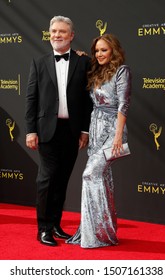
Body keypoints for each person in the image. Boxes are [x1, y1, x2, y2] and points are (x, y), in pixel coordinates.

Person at [25, 15, 92, 246]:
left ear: (71, 35)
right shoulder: (39, 62)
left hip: (72, 131)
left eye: (62, 31)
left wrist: (85, 130)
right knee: (46, 179)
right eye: (53, 31)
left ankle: (55, 224)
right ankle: (42, 228)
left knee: (62, 180)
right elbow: (31, 99)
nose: (56, 35)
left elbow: (87, 100)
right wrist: (30, 131)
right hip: (46, 130)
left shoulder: (83, 62)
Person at [66, 33, 131, 248]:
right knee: (103, 179)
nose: (100, 54)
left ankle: (95, 233)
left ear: (113, 50)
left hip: (113, 130)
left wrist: (119, 136)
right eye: (97, 50)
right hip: (96, 129)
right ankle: (103, 231)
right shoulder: (96, 71)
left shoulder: (122, 71)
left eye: (104, 50)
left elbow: (123, 105)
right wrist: (82, 56)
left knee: (90, 174)